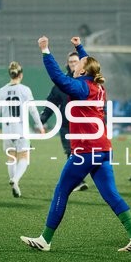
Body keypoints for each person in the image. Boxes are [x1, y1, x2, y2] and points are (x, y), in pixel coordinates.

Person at [20, 35, 131, 252]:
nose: (76, 63)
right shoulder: (97, 86)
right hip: (103, 148)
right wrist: (79, 47)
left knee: (61, 190)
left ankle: (45, 240)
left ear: (83, 71)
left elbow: (58, 77)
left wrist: (45, 51)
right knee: (110, 194)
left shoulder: (81, 87)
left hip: (86, 150)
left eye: (78, 62)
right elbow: (90, 64)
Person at [0, 61, 45, 198]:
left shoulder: (1, 91)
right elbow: (33, 110)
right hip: (21, 129)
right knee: (24, 157)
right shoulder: (24, 90)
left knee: (11, 157)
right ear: (20, 75)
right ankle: (15, 179)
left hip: (7, 129)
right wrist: (40, 126)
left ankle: (14, 182)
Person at [40, 51, 89, 192]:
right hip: (67, 126)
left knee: (87, 154)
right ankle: (78, 181)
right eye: (71, 62)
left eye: (76, 61)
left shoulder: (87, 83)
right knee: (71, 152)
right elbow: (51, 104)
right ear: (67, 64)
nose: (73, 64)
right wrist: (42, 120)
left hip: (85, 126)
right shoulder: (61, 84)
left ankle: (83, 178)